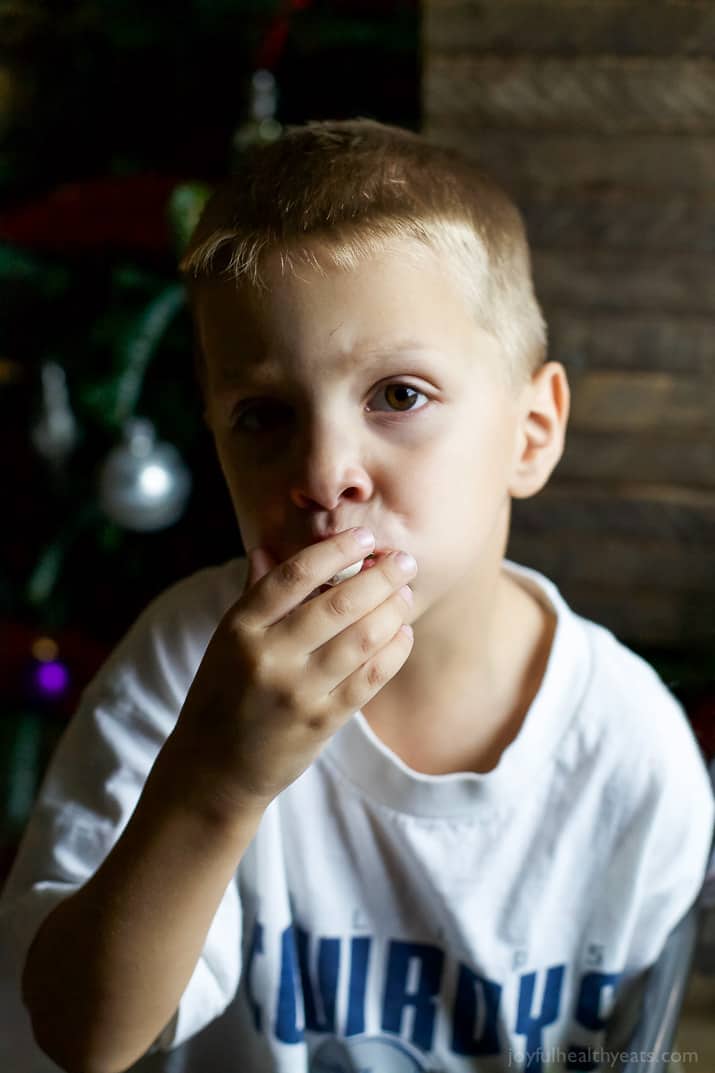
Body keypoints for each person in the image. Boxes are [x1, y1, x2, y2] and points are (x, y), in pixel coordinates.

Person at [1, 119, 713, 1073]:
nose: (324, 471)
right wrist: (217, 780)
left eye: (398, 395)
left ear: (530, 432)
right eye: (263, 415)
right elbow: (80, 1033)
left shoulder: (630, 752)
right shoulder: (181, 671)